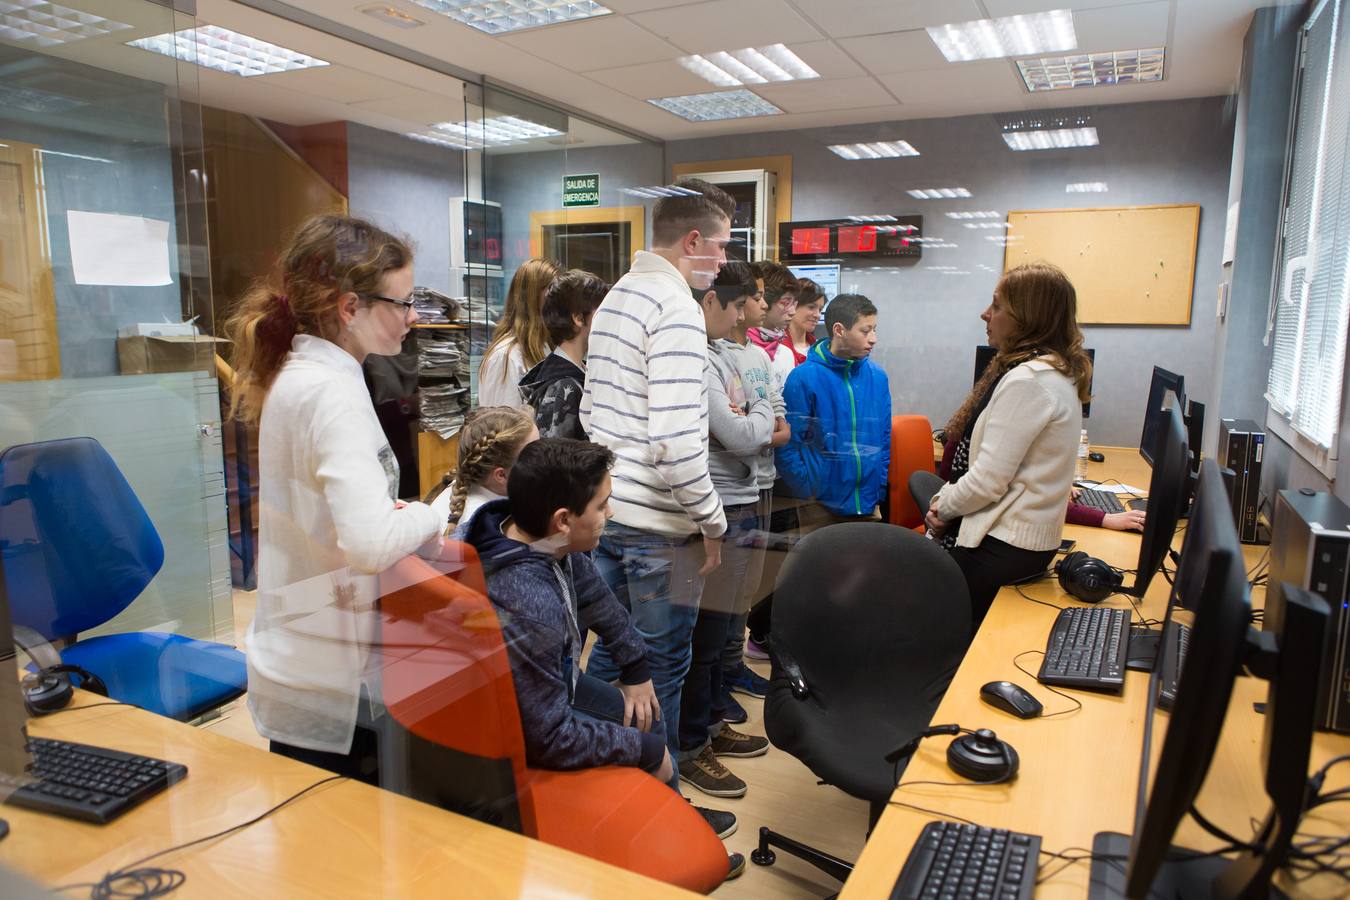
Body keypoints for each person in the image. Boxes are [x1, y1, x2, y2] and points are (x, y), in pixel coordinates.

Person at [225, 213, 444, 782]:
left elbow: (329, 516)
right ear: (350, 308)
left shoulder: (308, 375)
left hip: (306, 645)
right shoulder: (331, 393)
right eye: (402, 302)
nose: (414, 316)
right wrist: (436, 513)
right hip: (325, 667)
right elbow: (370, 546)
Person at [581, 176, 734, 770]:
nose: (723, 262)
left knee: (610, 662)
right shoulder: (675, 307)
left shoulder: (619, 293)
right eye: (720, 247)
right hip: (662, 531)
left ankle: (602, 779)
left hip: (614, 513)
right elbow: (674, 443)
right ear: (692, 241)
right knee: (662, 666)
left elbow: (591, 413)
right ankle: (659, 803)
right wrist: (712, 522)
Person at [926, 263, 1093, 627]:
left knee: (916, 608)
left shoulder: (1029, 380)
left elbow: (987, 480)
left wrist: (942, 504)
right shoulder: (1054, 372)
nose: (986, 314)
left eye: (997, 306)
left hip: (1001, 547)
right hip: (1024, 545)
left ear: (1027, 318)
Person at [680, 260, 773, 798]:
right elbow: (740, 432)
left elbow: (756, 423)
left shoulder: (739, 357)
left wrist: (755, 414)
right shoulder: (699, 358)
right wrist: (759, 409)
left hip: (739, 500)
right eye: (739, 305)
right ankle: (693, 743)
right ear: (712, 300)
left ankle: (709, 727)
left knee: (719, 632)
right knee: (701, 636)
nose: (744, 316)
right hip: (715, 504)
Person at [714, 268, 787, 724]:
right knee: (723, 594)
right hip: (729, 489)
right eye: (756, 299)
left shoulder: (758, 357)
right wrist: (753, 431)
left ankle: (733, 667)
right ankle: (719, 678)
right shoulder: (716, 357)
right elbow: (735, 435)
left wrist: (753, 429)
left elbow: (781, 427)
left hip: (760, 483)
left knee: (747, 589)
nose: (762, 306)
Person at [777, 293, 891, 531]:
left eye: (875, 330)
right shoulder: (804, 378)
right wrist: (808, 488)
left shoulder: (877, 377)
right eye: (865, 330)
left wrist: (879, 485)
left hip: (868, 502)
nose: (874, 339)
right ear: (839, 330)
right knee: (819, 567)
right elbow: (788, 443)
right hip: (819, 506)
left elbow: (884, 437)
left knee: (866, 567)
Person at [518, 269, 608, 440]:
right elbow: (556, 460)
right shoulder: (564, 385)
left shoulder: (574, 372)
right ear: (578, 318)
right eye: (602, 312)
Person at [426, 405, 538, 529]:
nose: (543, 457)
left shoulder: (467, 487)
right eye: (535, 454)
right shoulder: (487, 524)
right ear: (501, 475)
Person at [478, 257, 562, 407]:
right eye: (552, 290)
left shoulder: (544, 346)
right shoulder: (507, 356)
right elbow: (504, 425)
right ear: (532, 297)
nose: (559, 300)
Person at [768, 278, 825, 392]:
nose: (817, 315)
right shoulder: (773, 348)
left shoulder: (820, 349)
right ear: (793, 305)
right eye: (811, 307)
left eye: (820, 309)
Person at [746, 259, 797, 352]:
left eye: (793, 303)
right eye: (786, 303)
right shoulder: (741, 345)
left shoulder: (786, 352)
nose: (793, 312)